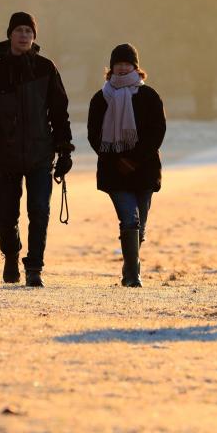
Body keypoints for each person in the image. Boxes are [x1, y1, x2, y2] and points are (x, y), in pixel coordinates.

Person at [0, 12, 74, 287]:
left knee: (39, 211)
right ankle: (10, 254)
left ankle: (34, 268)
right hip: (5, 155)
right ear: (10, 34)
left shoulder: (45, 69)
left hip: (40, 154)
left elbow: (59, 111)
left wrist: (64, 150)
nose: (24, 35)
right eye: (19, 30)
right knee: (7, 214)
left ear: (34, 36)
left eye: (28, 31)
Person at [87, 43, 166, 287]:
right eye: (117, 64)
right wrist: (116, 160)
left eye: (127, 63)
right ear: (110, 68)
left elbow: (157, 132)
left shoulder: (149, 96)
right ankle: (133, 276)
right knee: (129, 220)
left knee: (139, 226)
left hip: (144, 170)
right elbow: (94, 135)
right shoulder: (100, 99)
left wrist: (134, 159)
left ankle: (130, 264)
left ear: (135, 67)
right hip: (115, 173)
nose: (122, 68)